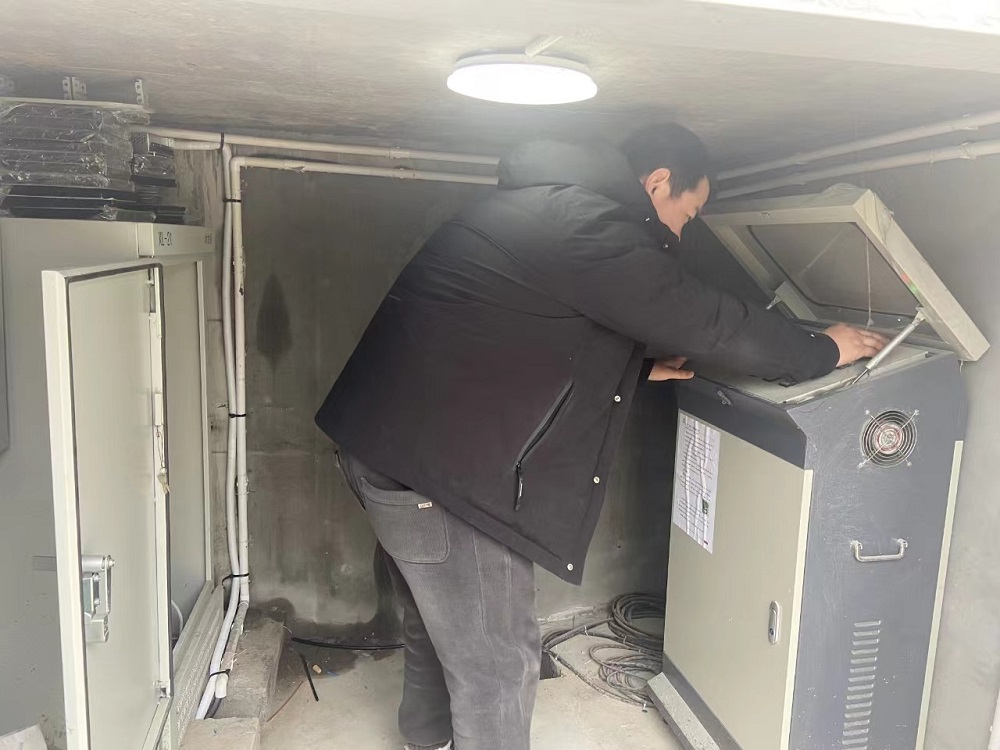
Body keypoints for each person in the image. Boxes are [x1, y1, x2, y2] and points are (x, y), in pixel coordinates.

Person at [315, 123, 886, 750]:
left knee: (437, 623)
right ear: (659, 182)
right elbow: (705, 321)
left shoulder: (539, 207)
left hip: (385, 450)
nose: (681, 232)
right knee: (498, 661)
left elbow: (514, 337)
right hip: (442, 475)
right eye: (688, 213)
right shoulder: (588, 225)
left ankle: (426, 740)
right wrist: (820, 349)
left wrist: (634, 370)